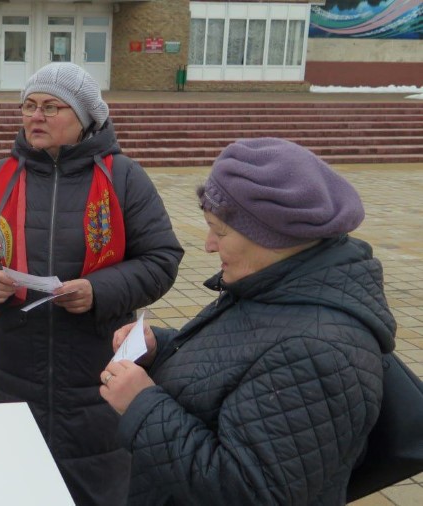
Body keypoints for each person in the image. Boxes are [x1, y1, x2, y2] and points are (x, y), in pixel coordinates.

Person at [100, 138, 397, 505]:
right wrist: (160, 347)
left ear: (271, 237)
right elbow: (239, 362)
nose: (208, 244)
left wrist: (142, 406)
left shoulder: (317, 352)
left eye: (219, 230)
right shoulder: (275, 288)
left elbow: (250, 492)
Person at [0, 62, 184, 505]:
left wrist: (98, 291)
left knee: (98, 487)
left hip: (97, 378)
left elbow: (162, 259)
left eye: (51, 107)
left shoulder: (123, 177)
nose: (36, 116)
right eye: (29, 106)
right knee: (19, 488)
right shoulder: (2, 176)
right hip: (15, 374)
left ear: (85, 117)